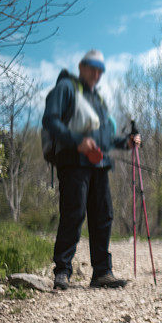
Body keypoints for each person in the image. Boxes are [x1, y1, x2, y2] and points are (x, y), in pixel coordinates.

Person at [43, 50, 140, 291]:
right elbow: (50, 120)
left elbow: (104, 137)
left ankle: (102, 273)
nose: (96, 74)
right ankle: (62, 271)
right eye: (92, 69)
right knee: (73, 214)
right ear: (81, 67)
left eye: (100, 71)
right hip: (73, 161)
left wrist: (125, 143)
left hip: (99, 164)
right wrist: (77, 141)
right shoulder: (66, 88)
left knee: (103, 216)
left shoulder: (98, 99)